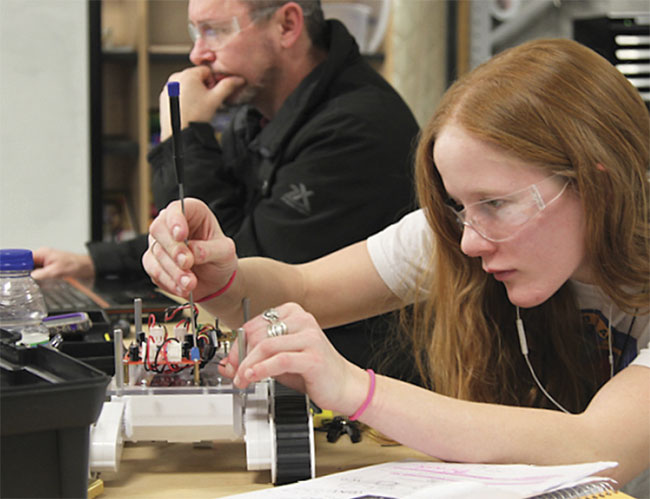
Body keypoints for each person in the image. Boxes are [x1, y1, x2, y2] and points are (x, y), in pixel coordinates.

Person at [142, 38, 649, 493]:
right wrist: (223, 277)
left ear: (594, 182)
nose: (468, 241)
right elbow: (306, 290)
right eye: (459, 207)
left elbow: (597, 450)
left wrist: (351, 388)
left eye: (495, 204)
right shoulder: (463, 229)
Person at [32, 0, 421, 373]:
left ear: (287, 25)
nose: (197, 53)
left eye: (214, 31)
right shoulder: (257, 114)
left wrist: (181, 135)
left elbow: (234, 271)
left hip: (359, 396)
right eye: (194, 33)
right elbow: (211, 233)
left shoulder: (358, 128)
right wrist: (94, 264)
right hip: (289, 365)